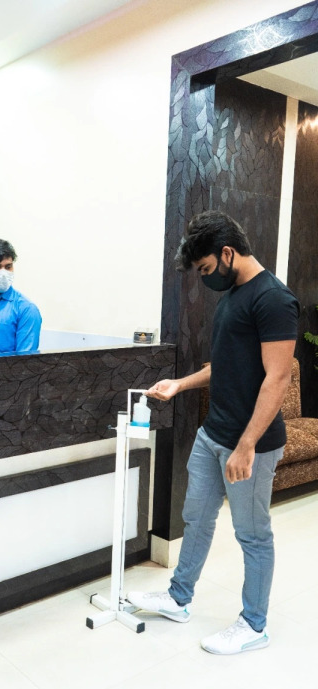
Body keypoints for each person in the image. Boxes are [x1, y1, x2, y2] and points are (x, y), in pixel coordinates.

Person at [127, 210, 300, 655]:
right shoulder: (234, 295)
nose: (205, 278)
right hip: (213, 434)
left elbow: (278, 378)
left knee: (253, 535)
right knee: (196, 517)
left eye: (205, 269)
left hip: (251, 444)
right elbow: (223, 366)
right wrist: (179, 384)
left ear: (227, 253)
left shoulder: (274, 299)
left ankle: (254, 625)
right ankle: (178, 598)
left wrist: (247, 445)